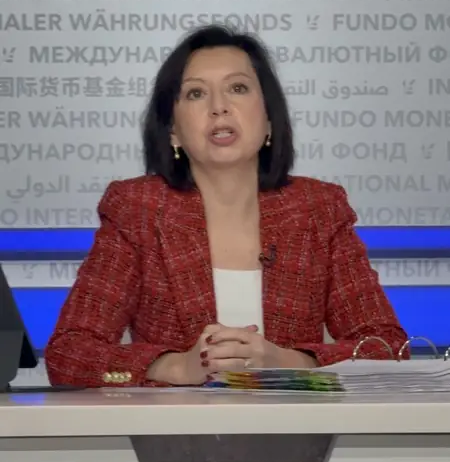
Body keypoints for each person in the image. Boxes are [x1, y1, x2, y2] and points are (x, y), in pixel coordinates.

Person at [44, 24, 408, 388]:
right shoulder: (138, 210)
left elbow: (388, 348)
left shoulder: (318, 209)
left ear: (269, 119)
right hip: (177, 423)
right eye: (196, 93)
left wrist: (289, 362)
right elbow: (70, 354)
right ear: (173, 131)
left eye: (238, 88)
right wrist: (174, 367)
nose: (219, 107)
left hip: (293, 422)